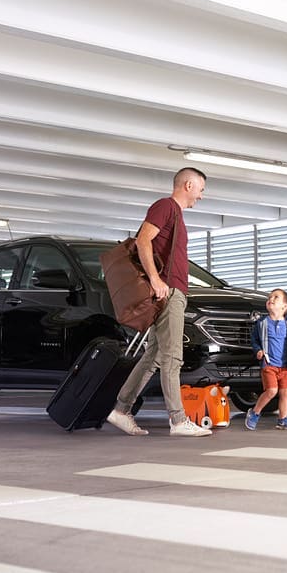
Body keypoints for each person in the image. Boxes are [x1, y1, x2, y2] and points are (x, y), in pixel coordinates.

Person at [106, 167, 213, 437]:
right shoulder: (165, 206)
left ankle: (120, 410)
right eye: (201, 190)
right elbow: (144, 241)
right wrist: (155, 280)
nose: (201, 197)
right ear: (188, 185)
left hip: (172, 292)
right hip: (169, 292)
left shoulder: (174, 213)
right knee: (172, 357)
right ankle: (178, 420)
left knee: (153, 356)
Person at [245, 288, 287, 431]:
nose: (271, 299)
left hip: (286, 366)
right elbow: (254, 340)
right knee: (272, 391)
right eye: (270, 297)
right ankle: (254, 413)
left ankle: (283, 420)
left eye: (276, 297)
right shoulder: (261, 323)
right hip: (269, 364)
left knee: (285, 393)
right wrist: (258, 350)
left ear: (284, 307)